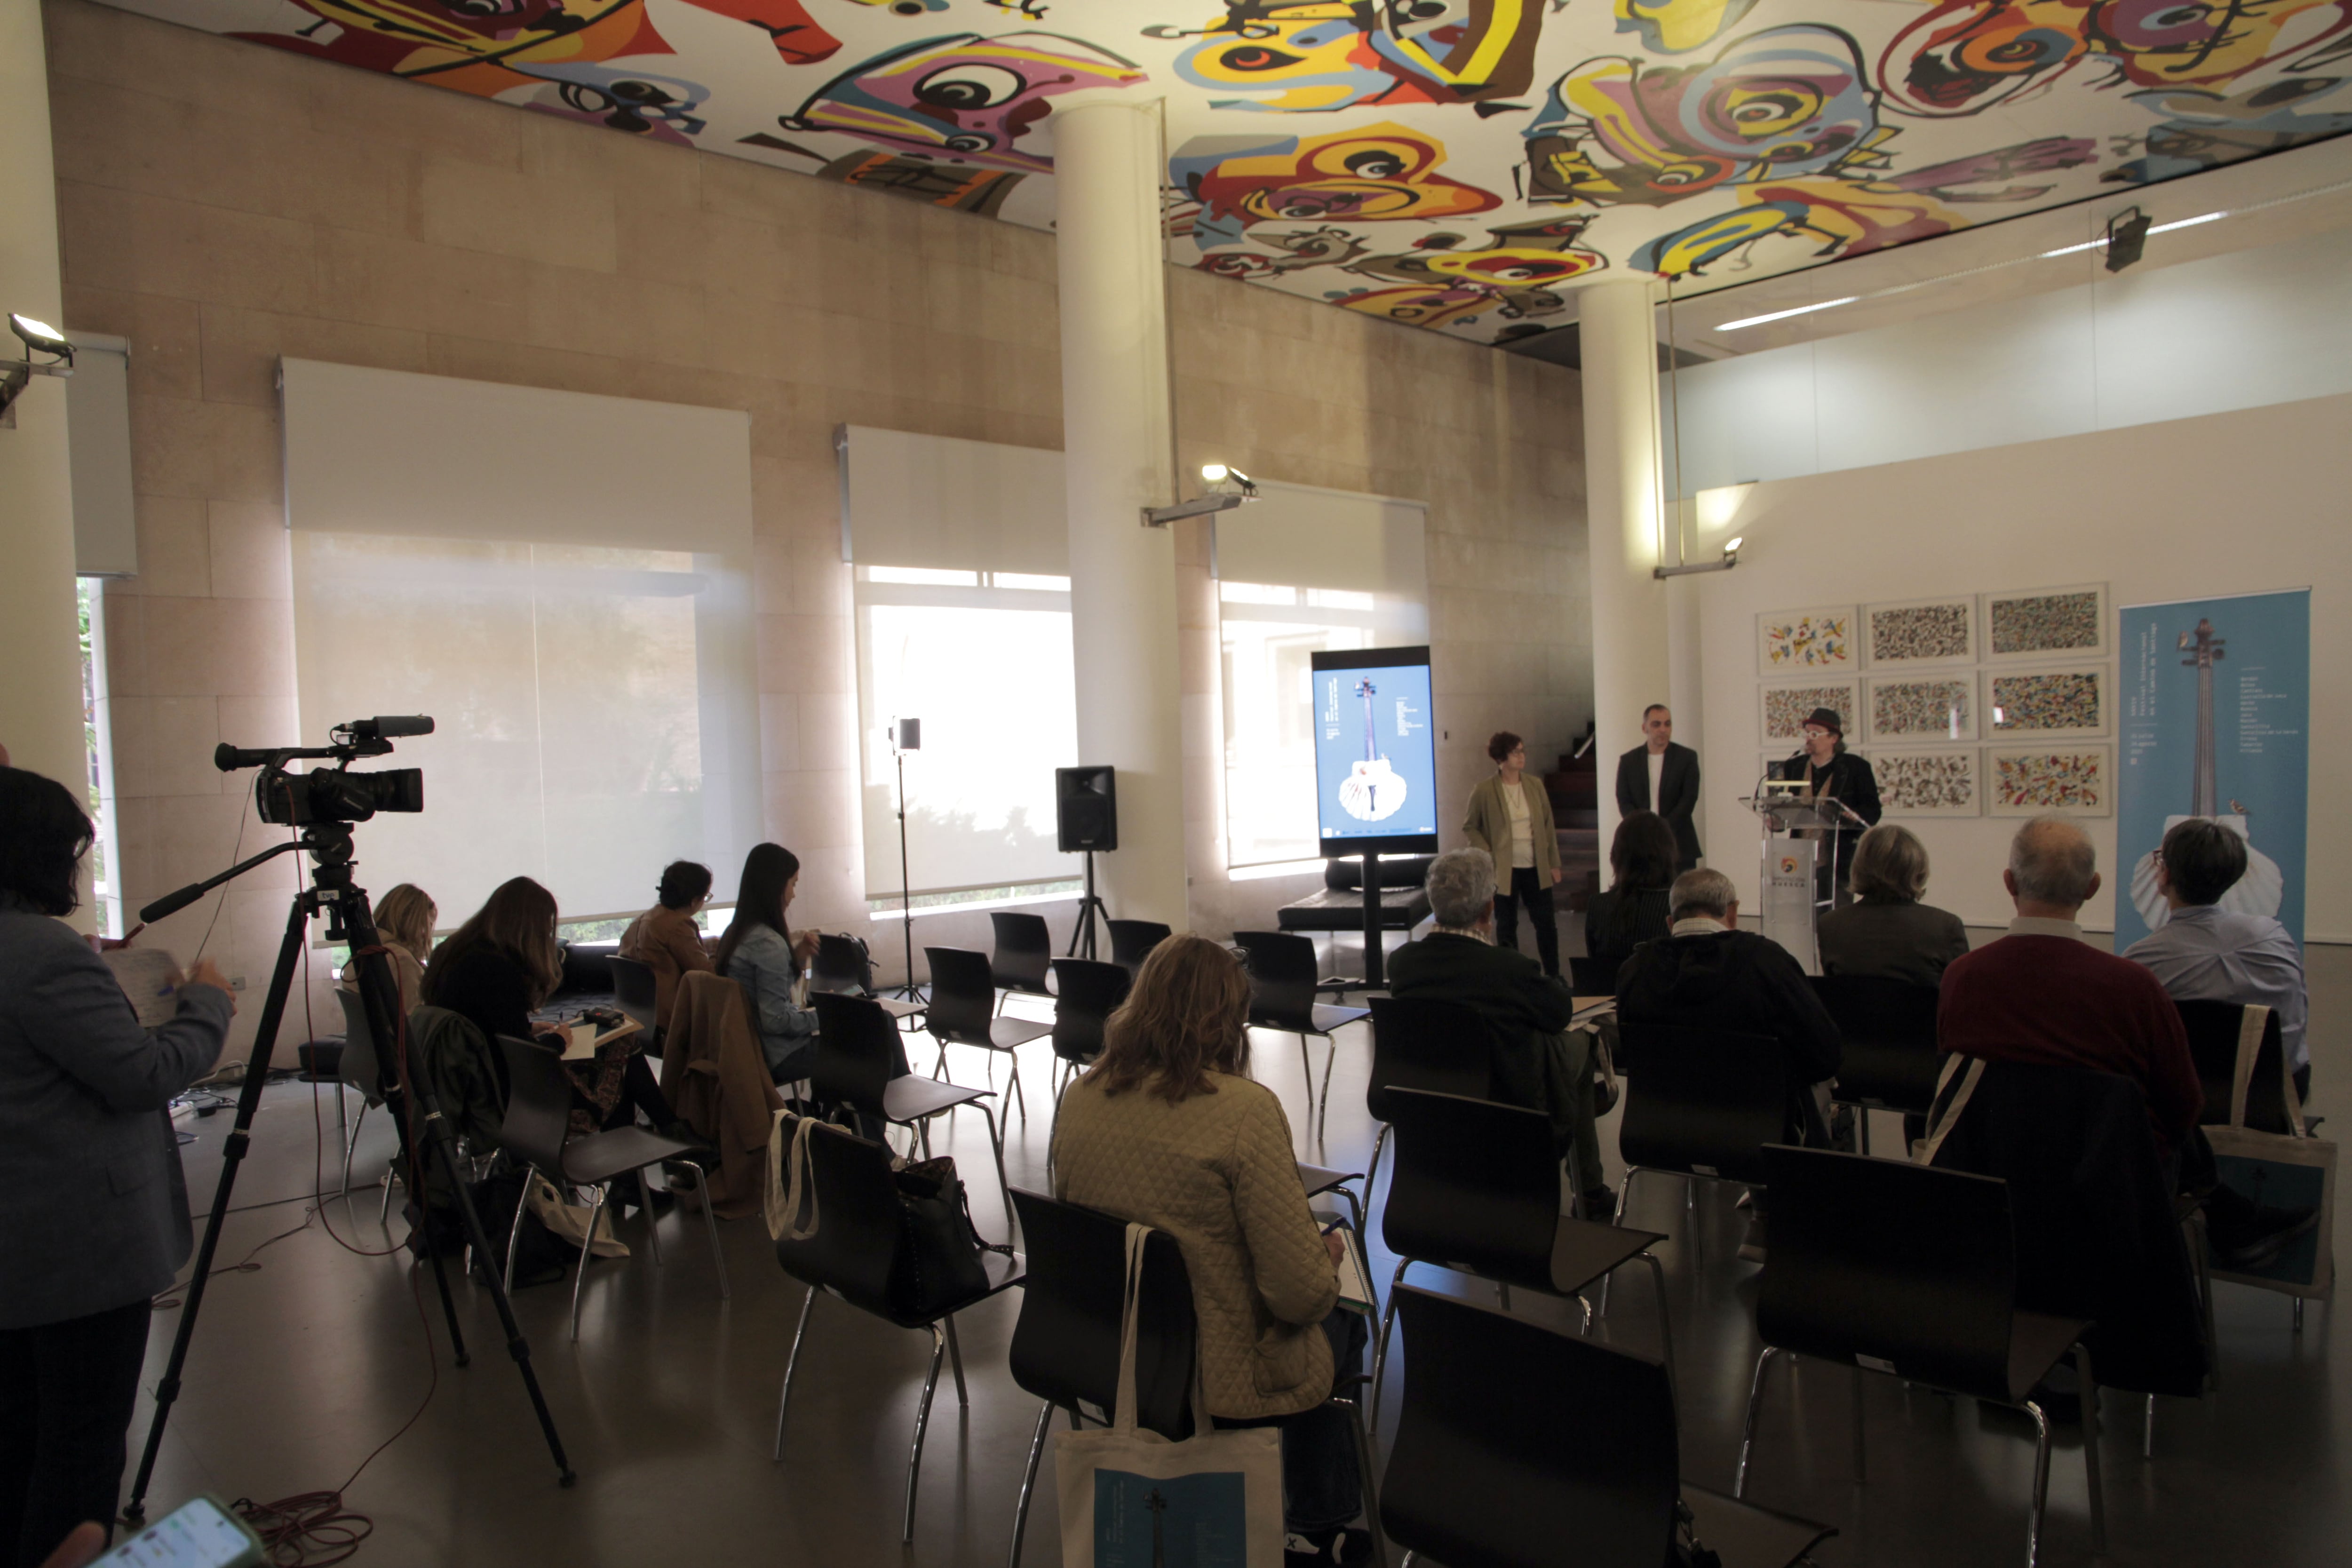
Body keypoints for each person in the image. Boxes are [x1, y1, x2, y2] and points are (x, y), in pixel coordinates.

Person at [1053, 935, 1371, 1567]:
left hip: (1121, 1349)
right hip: (1220, 1370)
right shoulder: (1245, 1112)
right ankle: (1316, 1525)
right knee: (1340, 1315)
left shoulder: (1081, 1095)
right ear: (1231, 1018)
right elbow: (1298, 1293)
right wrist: (1325, 1261)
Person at [0, 766, 235, 1566]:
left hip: (18, 1252)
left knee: (23, 1438)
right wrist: (208, 1004)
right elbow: (142, 1074)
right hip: (76, 1252)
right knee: (80, 1448)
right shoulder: (41, 953)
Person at [1938, 817, 2202, 1165]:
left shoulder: (1962, 977)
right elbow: (2183, 1108)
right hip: (2109, 1192)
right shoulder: (2134, 987)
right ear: (2093, 887)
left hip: (1994, 1186)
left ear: (2009, 882)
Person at [1614, 868, 1843, 1258]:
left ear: (1672, 921)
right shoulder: (1766, 963)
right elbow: (1825, 1054)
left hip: (1658, 1135)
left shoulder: (1635, 970)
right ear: (1732, 913)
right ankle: (1782, 1211)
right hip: (1759, 1138)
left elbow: (1629, 1057)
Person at [1389, 848, 1609, 1216]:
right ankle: (1588, 1188)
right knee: (1581, 1042)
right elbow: (1559, 1012)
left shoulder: (1403, 964)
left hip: (1435, 1092)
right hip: (1510, 1092)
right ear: (1489, 910)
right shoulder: (1509, 969)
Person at [421, 877, 675, 1139]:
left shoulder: (452, 955)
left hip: (467, 1088)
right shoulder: (498, 971)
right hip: (516, 1099)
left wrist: (528, 1028)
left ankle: (658, 1141)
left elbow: (480, 1025)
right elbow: (523, 1061)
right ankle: (665, 1134)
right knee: (622, 1051)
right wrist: (557, 1040)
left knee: (619, 1048)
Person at [2125, 818, 2312, 1104]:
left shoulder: (2141, 960)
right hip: (2279, 1097)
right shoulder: (2275, 938)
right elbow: (2298, 1015)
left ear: (2165, 875)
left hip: (2183, 1103)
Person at [714, 844, 820, 1086]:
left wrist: (797, 958)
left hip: (752, 1051)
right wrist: (824, 1016)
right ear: (776, 885)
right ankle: (890, 1111)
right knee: (876, 1030)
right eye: (793, 884)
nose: (794, 894)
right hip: (780, 1056)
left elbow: (766, 992)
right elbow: (775, 1021)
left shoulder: (736, 933)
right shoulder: (768, 943)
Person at [1461, 730, 1562, 978]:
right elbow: (1470, 826)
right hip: (1504, 869)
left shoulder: (1535, 785)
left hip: (1535, 865)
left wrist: (1553, 863)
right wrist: (1487, 851)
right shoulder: (1484, 790)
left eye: (1522, 750)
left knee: (1546, 924)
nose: (1521, 756)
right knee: (1507, 926)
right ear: (1501, 757)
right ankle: (1513, 977)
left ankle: (1554, 975)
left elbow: (1548, 826)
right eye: (1515, 751)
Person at [1815, 825, 1969, 987]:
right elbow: (1962, 996)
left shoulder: (1830, 924)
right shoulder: (1945, 927)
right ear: (1917, 866)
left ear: (1859, 866)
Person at [1772, 707, 1880, 907]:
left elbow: (1873, 811)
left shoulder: (1856, 767)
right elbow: (1788, 805)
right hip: (1799, 858)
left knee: (1838, 915)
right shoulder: (1794, 766)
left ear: (1833, 738)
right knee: (1800, 913)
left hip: (1838, 857)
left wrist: (1853, 817)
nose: (1808, 739)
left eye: (1815, 734)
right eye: (1807, 733)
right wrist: (1777, 821)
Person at [1581, 812, 1678, 991]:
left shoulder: (1598, 905)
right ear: (1667, 854)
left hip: (1612, 1006)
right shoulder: (1677, 907)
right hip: (1665, 1007)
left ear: (1618, 855)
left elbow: (1595, 968)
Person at [618, 860, 716, 1034]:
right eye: (706, 897)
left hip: (639, 1017)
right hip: (672, 1020)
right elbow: (706, 975)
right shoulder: (678, 925)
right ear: (694, 901)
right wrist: (719, 954)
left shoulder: (641, 921)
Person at [1613, 704, 1701, 872]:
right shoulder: (1629, 761)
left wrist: (1662, 830)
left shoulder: (1687, 758)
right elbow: (1624, 800)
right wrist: (1643, 829)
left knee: (1682, 896)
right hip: (1640, 844)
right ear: (1644, 728)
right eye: (1657, 724)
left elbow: (1689, 799)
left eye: (1667, 724)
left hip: (1679, 842)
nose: (1663, 729)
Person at [340, 882, 435, 1017]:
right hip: (400, 1037)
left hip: (367, 1037)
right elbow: (414, 1023)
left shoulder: (366, 949)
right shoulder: (400, 959)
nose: (427, 934)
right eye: (428, 924)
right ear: (415, 923)